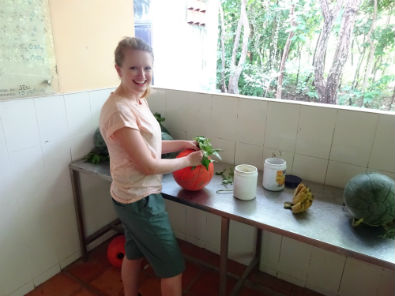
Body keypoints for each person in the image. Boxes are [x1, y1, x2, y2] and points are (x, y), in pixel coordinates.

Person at [99, 37, 203, 296]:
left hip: (132, 196)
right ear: (118, 69)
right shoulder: (119, 110)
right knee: (172, 268)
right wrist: (188, 161)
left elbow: (150, 147)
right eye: (133, 67)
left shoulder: (138, 99)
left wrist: (185, 143)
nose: (142, 74)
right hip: (139, 201)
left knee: (133, 254)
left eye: (147, 67)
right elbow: (147, 165)